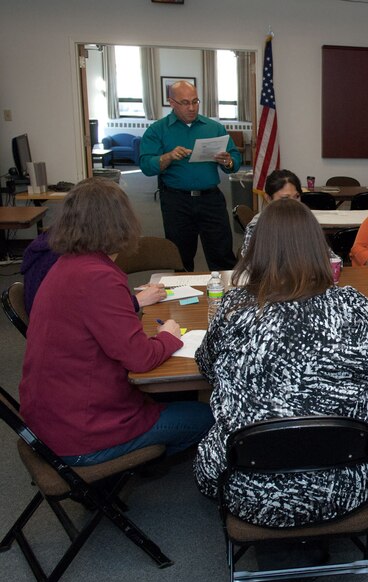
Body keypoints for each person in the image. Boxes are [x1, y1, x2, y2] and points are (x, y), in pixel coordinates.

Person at [194, 199, 368, 527]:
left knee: (211, 452)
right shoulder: (354, 305)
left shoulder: (233, 309)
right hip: (349, 483)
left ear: (256, 251)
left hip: (251, 490)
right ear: (318, 247)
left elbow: (206, 367)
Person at [18, 178, 214, 466]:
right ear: (120, 222)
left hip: (51, 419)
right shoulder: (99, 276)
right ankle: (143, 463)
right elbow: (140, 359)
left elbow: (91, 318)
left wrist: (134, 305)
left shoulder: (67, 264)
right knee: (210, 415)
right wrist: (170, 335)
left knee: (176, 402)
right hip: (84, 433)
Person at [139, 80, 241, 272]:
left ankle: (227, 299)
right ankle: (183, 299)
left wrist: (228, 161)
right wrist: (167, 157)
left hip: (211, 199)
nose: (192, 108)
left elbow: (235, 159)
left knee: (222, 255)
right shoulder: (157, 130)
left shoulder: (214, 128)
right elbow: (145, 165)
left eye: (195, 101)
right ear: (171, 102)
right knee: (180, 258)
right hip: (177, 201)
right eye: (185, 103)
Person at [21, 230, 167, 315]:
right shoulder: (75, 262)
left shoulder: (63, 242)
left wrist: (124, 297)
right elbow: (94, 312)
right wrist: (136, 301)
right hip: (76, 354)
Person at [240, 169, 302, 257]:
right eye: (285, 198)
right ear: (268, 198)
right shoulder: (256, 227)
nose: (292, 203)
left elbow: (326, 257)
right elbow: (250, 263)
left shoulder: (306, 221)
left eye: (296, 197)